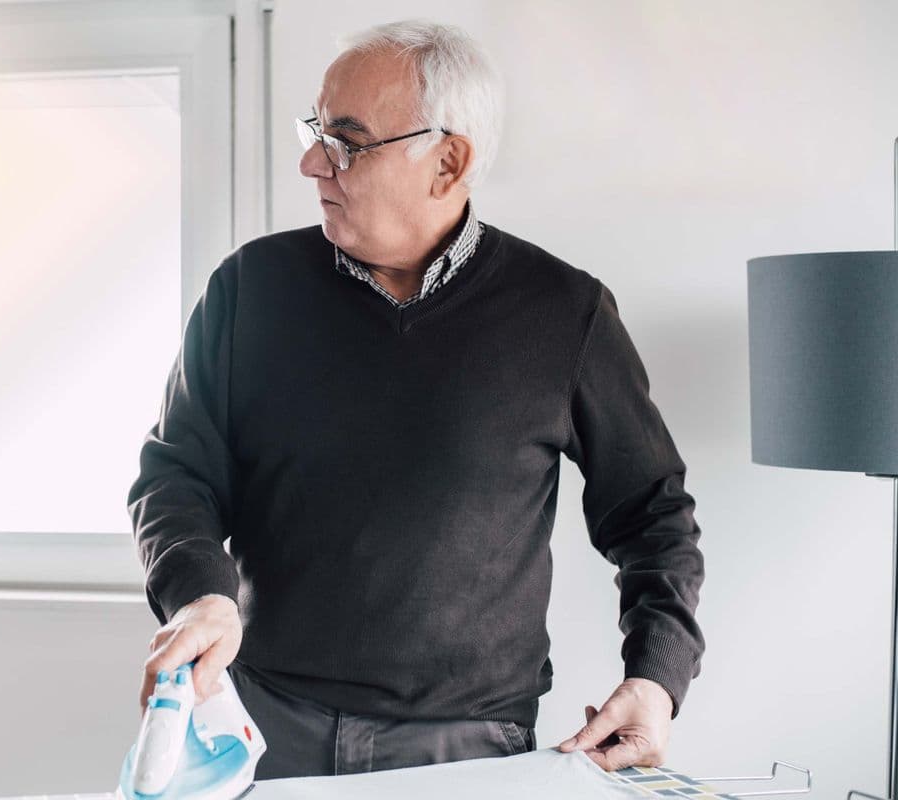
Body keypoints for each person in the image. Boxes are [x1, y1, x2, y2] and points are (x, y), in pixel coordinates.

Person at [126, 18, 704, 780]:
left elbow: (653, 514)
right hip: (261, 725)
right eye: (315, 131)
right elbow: (176, 475)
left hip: (468, 748)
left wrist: (656, 678)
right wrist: (200, 595)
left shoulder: (566, 314)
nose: (311, 162)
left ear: (447, 162)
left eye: (346, 140)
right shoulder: (250, 288)